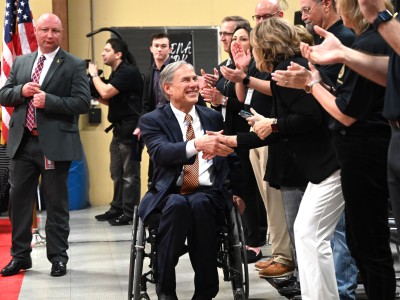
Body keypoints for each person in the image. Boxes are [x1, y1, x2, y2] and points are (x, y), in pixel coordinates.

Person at [273, 1, 397, 298]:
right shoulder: (363, 43)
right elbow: (346, 101)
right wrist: (314, 82)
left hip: (365, 149)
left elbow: (345, 113)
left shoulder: (368, 41)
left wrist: (311, 85)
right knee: (360, 241)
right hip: (362, 149)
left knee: (369, 244)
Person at [248, 18, 345, 300]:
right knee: (308, 235)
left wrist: (275, 124)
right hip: (326, 165)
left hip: (331, 164)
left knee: (309, 236)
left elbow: (309, 118)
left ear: (264, 47)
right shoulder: (290, 68)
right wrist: (237, 139)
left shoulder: (286, 71)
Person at [138, 61, 242, 300]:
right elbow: (161, 153)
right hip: (168, 195)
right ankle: (166, 292)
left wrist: (238, 192)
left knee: (199, 203)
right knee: (177, 205)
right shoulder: (152, 120)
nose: (194, 84)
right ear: (168, 88)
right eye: (186, 80)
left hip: (209, 193)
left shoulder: (212, 117)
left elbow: (232, 157)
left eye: (195, 78)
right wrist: (196, 144)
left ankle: (205, 294)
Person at [0, 13, 90, 277]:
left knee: (56, 205)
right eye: (44, 30)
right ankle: (20, 257)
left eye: (55, 31)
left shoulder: (73, 64)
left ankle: (58, 258)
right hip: (22, 143)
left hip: (55, 145)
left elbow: (82, 103)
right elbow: (3, 94)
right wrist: (21, 92)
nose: (49, 35)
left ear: (60, 34)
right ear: (36, 32)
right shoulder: (21, 62)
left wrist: (49, 100)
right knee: (19, 203)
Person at [201, 16, 268, 264]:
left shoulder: (255, 67)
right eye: (226, 35)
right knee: (237, 188)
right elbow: (225, 102)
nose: (227, 40)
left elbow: (247, 108)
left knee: (251, 190)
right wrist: (212, 94)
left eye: (238, 36)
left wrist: (225, 101)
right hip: (230, 132)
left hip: (248, 133)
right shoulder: (224, 65)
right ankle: (240, 238)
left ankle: (256, 241)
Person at [89, 38, 143, 226]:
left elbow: (105, 93)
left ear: (118, 54)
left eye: (106, 50)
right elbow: (109, 100)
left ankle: (130, 212)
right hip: (119, 129)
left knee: (130, 174)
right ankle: (117, 208)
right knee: (117, 172)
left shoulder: (127, 71)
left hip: (132, 129)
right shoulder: (117, 73)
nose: (103, 54)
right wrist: (93, 89)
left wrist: (94, 76)